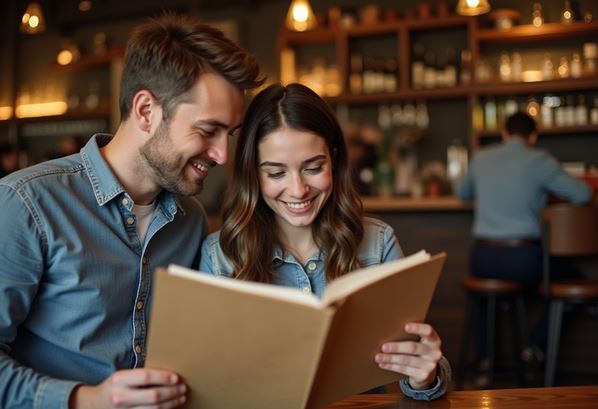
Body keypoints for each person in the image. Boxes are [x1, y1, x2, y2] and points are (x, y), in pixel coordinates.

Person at [0, 14, 262, 409]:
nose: (223, 155)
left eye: (230, 134)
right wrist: (83, 400)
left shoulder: (190, 222)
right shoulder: (27, 202)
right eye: (208, 131)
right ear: (145, 111)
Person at [200, 83, 451, 401]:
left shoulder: (378, 243)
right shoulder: (218, 256)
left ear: (333, 159)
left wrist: (424, 376)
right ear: (253, 173)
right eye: (276, 173)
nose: (298, 190)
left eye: (313, 168)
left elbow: (416, 371)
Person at [456, 111, 592, 371]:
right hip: (523, 260)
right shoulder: (540, 160)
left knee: (484, 298)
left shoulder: (481, 158)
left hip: (482, 258)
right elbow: (583, 195)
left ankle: (485, 361)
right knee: (576, 284)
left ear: (504, 133)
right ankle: (535, 346)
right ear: (533, 136)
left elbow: (463, 193)